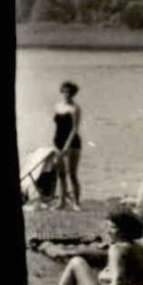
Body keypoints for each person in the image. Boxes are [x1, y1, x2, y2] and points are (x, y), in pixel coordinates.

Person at [53, 80, 83, 210]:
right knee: (60, 174)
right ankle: (62, 202)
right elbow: (57, 126)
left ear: (73, 94)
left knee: (72, 173)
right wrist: (55, 144)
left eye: (70, 92)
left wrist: (66, 146)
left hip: (72, 142)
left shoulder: (75, 108)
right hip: (58, 141)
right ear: (62, 92)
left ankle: (76, 203)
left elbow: (74, 129)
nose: (67, 94)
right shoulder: (57, 106)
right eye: (65, 91)